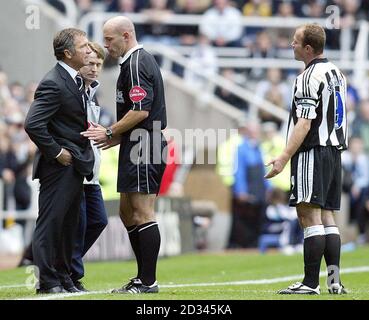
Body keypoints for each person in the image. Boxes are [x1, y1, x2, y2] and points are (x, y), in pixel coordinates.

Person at [81, 16, 167, 294]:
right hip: (136, 142)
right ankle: (142, 278)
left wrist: (109, 132)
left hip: (145, 144)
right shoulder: (132, 63)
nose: (106, 45)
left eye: (109, 39)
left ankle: (149, 281)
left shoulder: (137, 63)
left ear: (126, 36)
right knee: (127, 213)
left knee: (142, 212)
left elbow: (142, 110)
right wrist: (118, 136)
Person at [265, 23, 348, 295]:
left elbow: (304, 123)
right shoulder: (337, 73)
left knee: (308, 216)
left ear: (308, 48)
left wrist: (284, 157)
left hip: (312, 152)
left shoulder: (307, 78)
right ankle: (334, 282)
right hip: (334, 153)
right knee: (328, 218)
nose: (291, 44)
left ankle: (310, 283)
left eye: (295, 41)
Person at [24, 28, 94, 294]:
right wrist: (56, 152)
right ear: (68, 53)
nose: (89, 50)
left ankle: (64, 278)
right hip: (58, 166)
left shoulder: (73, 80)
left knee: (68, 225)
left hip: (74, 164)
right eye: (84, 46)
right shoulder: (54, 82)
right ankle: (48, 281)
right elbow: (33, 124)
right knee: (51, 222)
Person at [70, 42, 109, 291]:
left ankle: (65, 266)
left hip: (91, 173)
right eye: (90, 63)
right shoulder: (72, 90)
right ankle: (71, 274)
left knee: (98, 221)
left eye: (98, 64)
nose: (94, 69)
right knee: (79, 223)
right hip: (76, 170)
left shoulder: (91, 92)